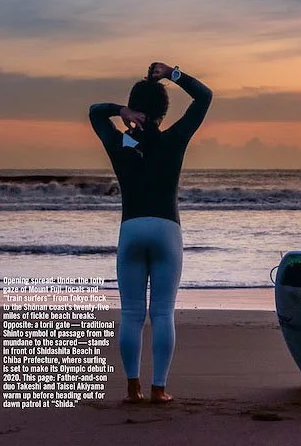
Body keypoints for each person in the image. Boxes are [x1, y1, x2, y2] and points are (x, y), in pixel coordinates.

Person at [88, 62, 212, 403]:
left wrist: (120, 111)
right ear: (163, 111)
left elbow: (95, 113)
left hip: (131, 228)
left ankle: (133, 387)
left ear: (134, 110)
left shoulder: (120, 142)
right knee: (162, 313)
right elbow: (204, 97)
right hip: (166, 229)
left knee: (130, 313)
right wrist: (173, 73)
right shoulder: (174, 139)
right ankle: (159, 388)